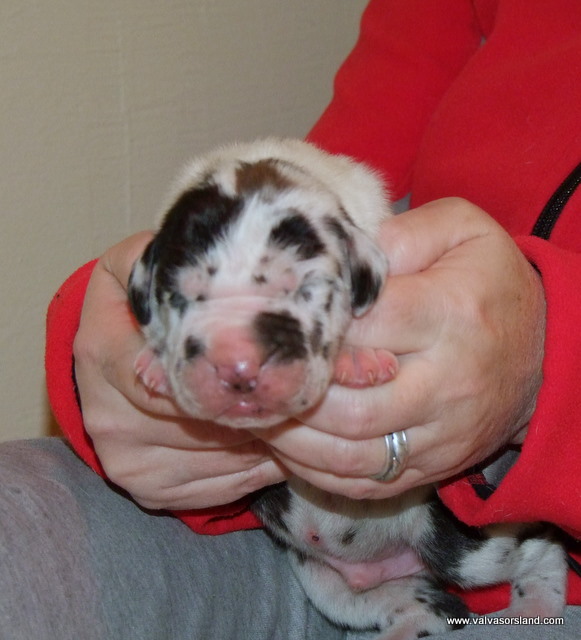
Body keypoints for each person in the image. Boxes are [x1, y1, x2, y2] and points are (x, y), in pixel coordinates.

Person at [3, 0, 581, 637]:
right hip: (292, 540)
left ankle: (534, 576)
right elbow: (305, 193)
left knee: (477, 562)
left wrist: (550, 365)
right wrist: (101, 351)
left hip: (486, 525)